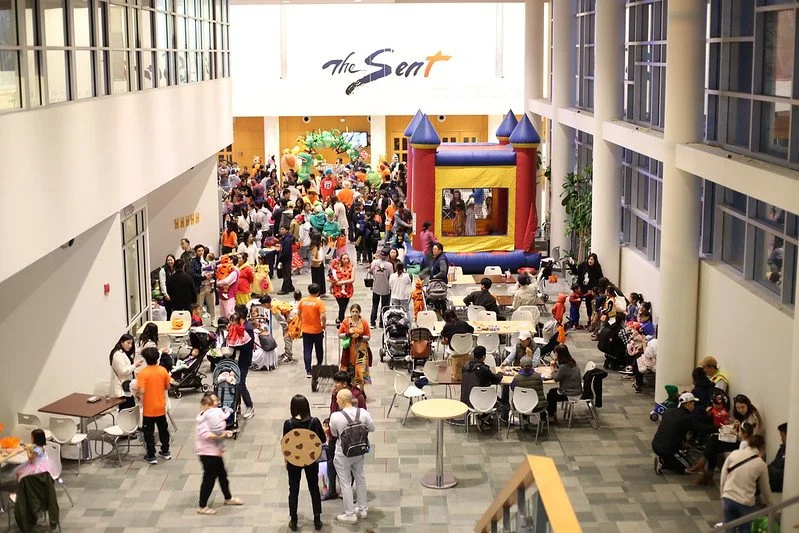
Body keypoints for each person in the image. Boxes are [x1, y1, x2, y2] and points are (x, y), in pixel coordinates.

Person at [692, 394, 764, 485]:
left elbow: (750, 438)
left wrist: (736, 434)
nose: (740, 410)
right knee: (714, 442)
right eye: (738, 408)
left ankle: (704, 467)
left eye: (743, 407)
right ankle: (705, 470)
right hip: (741, 441)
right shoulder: (746, 415)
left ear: (748, 405)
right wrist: (737, 426)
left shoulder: (753, 418)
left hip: (748, 445)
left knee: (714, 442)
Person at [329, 388, 376, 524]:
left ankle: (350, 514)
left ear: (341, 400)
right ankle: (363, 509)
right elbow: (372, 428)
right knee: (360, 478)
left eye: (337, 399)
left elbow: (334, 433)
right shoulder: (363, 413)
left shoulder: (335, 416)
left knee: (345, 482)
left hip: (342, 453)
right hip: (359, 451)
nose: (337, 401)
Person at [322, 371, 368, 502]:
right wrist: (329, 423)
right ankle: (332, 490)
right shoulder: (335, 393)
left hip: (352, 438)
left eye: (337, 382)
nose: (335, 385)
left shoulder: (358, 397)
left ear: (345, 384)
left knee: (353, 466)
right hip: (334, 435)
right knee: (330, 463)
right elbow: (333, 411)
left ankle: (346, 491)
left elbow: (364, 416)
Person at [195, 392, 242, 515]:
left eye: (216, 401)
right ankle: (202, 506)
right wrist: (223, 435)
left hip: (215, 452)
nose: (216, 403)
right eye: (212, 402)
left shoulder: (213, 415)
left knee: (222, 475)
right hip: (207, 453)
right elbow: (207, 435)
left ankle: (228, 498)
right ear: (205, 404)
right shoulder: (203, 418)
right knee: (209, 479)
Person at [283, 395, 325, 531]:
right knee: (314, 488)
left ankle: (293, 520)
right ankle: (317, 518)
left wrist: (286, 460)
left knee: (293, 489)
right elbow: (322, 439)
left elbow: (286, 444)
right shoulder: (314, 422)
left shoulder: (288, 424)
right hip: (311, 460)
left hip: (294, 461)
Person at [651, 392, 717, 475]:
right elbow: (702, 428)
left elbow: (673, 431)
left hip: (655, 444)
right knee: (687, 468)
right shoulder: (686, 418)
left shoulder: (670, 411)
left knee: (676, 457)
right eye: (693, 404)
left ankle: (664, 459)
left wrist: (681, 444)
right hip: (667, 449)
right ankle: (663, 462)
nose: (694, 406)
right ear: (688, 404)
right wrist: (718, 427)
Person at [719, 435, 772, 531]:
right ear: (762, 447)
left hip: (728, 498)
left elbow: (723, 476)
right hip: (745, 503)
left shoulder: (734, 454)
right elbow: (765, 489)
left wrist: (723, 495)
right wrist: (770, 505)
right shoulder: (761, 464)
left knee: (730, 529)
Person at [135, 347, 172, 465]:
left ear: (145, 359)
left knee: (148, 433)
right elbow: (168, 386)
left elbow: (141, 391)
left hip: (148, 409)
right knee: (163, 430)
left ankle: (151, 455)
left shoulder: (142, 373)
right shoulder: (163, 370)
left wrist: (137, 394)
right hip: (161, 407)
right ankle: (165, 451)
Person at [460, 346, 503, 431]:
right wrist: (500, 373)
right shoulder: (483, 369)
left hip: (465, 399)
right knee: (501, 403)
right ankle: (484, 418)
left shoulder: (465, 366)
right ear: (483, 356)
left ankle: (483, 418)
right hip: (478, 401)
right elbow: (496, 380)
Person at [545, 345, 582, 423]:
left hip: (570, 392)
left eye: (555, 353)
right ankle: (553, 414)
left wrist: (553, 369)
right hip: (576, 388)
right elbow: (562, 373)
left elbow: (556, 379)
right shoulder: (572, 362)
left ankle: (551, 416)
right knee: (551, 392)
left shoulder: (564, 367)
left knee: (551, 396)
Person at [338, 304, 372, 389]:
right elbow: (339, 335)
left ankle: (361, 390)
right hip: (349, 350)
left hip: (361, 350)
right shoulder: (346, 321)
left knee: (361, 370)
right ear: (350, 312)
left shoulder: (364, 322)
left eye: (356, 311)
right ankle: (353, 389)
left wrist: (360, 337)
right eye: (353, 311)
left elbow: (368, 337)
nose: (354, 313)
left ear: (359, 312)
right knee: (350, 369)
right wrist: (348, 334)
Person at [233, 304, 256, 420]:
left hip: (244, 360)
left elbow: (247, 345)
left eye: (235, 312)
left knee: (241, 384)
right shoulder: (238, 325)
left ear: (240, 314)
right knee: (235, 383)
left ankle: (249, 406)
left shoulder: (248, 328)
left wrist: (235, 345)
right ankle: (237, 407)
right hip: (236, 359)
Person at [298, 283, 326, 378]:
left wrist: (302, 322)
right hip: (317, 330)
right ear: (318, 292)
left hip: (306, 330)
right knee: (319, 349)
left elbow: (299, 313)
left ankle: (308, 370)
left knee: (307, 350)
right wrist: (323, 324)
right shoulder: (319, 302)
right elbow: (323, 316)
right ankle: (319, 365)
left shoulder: (303, 301)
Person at [109, 333, 142, 410]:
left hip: (127, 388)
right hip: (122, 389)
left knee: (131, 409)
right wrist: (134, 365)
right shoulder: (117, 354)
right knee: (126, 410)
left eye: (131, 344)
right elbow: (122, 371)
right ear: (121, 342)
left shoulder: (124, 353)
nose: (130, 346)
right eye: (128, 343)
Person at [190, 245, 216, 323]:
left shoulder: (208, 260)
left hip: (210, 285)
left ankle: (213, 321)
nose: (201, 252)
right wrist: (203, 277)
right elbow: (192, 273)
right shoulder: (194, 262)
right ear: (196, 252)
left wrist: (212, 274)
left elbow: (214, 270)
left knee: (212, 305)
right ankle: (199, 321)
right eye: (199, 251)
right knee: (199, 306)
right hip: (200, 287)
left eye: (202, 250)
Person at [368, 250, 393, 328]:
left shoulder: (374, 262)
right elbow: (391, 276)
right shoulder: (389, 265)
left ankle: (372, 322)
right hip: (386, 288)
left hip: (376, 287)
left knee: (374, 305)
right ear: (387, 256)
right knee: (384, 306)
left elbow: (370, 271)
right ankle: (382, 323)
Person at [328, 254, 355, 325]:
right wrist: (332, 285)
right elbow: (331, 278)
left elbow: (352, 279)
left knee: (344, 306)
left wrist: (342, 282)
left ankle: (339, 319)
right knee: (342, 306)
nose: (346, 260)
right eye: (344, 259)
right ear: (341, 260)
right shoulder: (337, 267)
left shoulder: (351, 267)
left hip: (348, 289)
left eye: (347, 258)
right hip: (337, 290)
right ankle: (341, 321)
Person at [576, 253, 603, 319]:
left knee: (588, 305)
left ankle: (589, 319)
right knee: (576, 303)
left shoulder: (597, 267)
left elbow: (599, 279)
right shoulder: (583, 265)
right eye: (589, 259)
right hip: (581, 288)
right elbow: (577, 273)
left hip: (591, 290)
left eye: (592, 260)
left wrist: (594, 290)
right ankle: (575, 320)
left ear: (595, 260)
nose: (590, 261)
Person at [216, 255, 239, 320]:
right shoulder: (222, 268)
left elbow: (226, 281)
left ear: (231, 261)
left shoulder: (234, 271)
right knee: (222, 315)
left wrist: (218, 283)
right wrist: (218, 282)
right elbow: (218, 278)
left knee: (229, 314)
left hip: (229, 296)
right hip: (221, 295)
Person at [768, 422, 787, 493]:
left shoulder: (793, 453)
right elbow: (775, 461)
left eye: (782, 436)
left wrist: (769, 470)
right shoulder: (782, 448)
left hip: (780, 486)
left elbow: (784, 473)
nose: (781, 439)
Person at [278, 226, 295, 294]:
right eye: (281, 229)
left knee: (286, 274)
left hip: (286, 259)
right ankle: (290, 287)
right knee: (287, 273)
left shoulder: (287, 239)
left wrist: (281, 258)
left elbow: (286, 251)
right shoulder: (285, 238)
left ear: (287, 230)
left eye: (283, 229)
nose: (281, 230)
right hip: (286, 258)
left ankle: (285, 289)